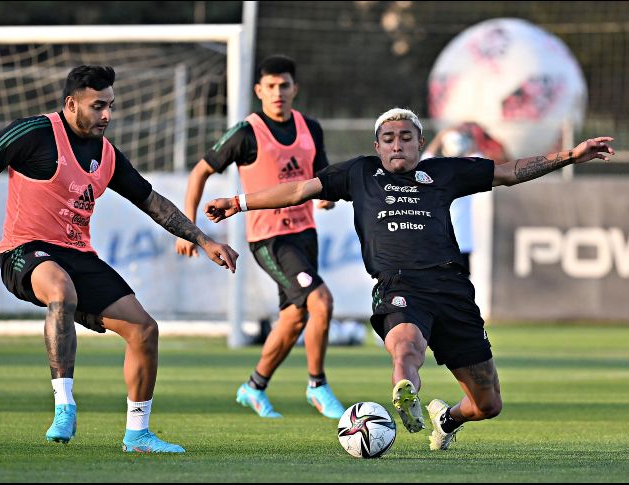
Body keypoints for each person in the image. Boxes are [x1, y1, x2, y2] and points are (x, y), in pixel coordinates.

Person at [0, 65, 239, 454]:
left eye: (111, 106)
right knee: (61, 289)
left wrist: (203, 240)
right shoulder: (34, 133)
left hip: (78, 254)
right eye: (98, 106)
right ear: (71, 104)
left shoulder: (108, 155)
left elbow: (153, 203)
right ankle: (64, 406)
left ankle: (138, 435)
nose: (107, 115)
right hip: (23, 251)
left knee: (144, 330)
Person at [204, 107, 614, 450]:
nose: (397, 144)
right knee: (406, 346)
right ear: (376, 146)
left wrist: (571, 156)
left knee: (488, 404)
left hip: (452, 289)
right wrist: (238, 202)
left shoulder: (444, 173)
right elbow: (295, 191)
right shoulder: (358, 174)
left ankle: (447, 420)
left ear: (420, 143)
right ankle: (406, 391)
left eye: (405, 137)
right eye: (388, 138)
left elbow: (509, 171)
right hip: (398, 284)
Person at [174, 55, 344, 419]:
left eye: (284, 85)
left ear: (294, 88)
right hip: (270, 240)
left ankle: (253, 386)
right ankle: (318, 385)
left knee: (296, 317)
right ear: (259, 91)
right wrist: (188, 228)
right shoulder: (246, 132)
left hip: (306, 234)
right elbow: (199, 172)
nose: (278, 92)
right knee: (322, 302)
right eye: (270, 86)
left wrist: (327, 198)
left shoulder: (310, 128)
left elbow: (322, 178)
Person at [422, 123, 509, 272]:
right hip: (462, 243)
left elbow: (426, 157)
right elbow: (480, 157)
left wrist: (441, 134)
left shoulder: (433, 172)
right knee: (460, 291)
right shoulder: (468, 173)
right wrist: (472, 137)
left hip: (439, 244)